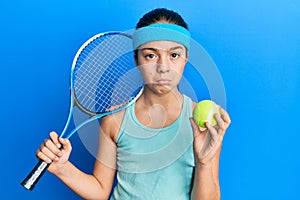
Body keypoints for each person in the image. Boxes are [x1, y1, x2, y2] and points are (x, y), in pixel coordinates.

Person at [36, 8, 231, 200]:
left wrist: (204, 163)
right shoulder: (114, 119)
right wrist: (62, 168)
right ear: (137, 60)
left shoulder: (204, 124)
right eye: (150, 55)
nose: (163, 67)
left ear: (185, 59)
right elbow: (100, 190)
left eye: (174, 55)